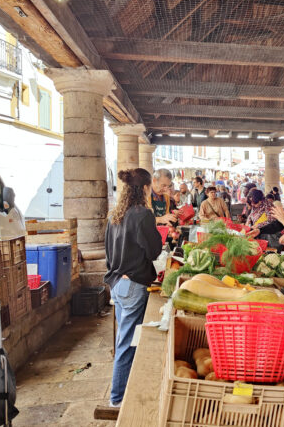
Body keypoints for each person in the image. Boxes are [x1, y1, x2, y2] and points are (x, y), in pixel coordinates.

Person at [104, 168, 163, 408]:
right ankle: (117, 399)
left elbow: (108, 251)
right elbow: (154, 251)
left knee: (123, 340)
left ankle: (125, 390)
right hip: (133, 285)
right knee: (126, 344)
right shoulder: (142, 214)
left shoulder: (116, 214)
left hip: (117, 282)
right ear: (146, 188)